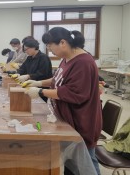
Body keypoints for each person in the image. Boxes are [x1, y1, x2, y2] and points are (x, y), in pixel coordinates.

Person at [18, 27, 102, 175]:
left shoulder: (83, 62)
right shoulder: (67, 58)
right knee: (72, 163)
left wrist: (40, 92)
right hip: (69, 119)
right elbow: (57, 79)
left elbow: (74, 93)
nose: (49, 50)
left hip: (82, 120)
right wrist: (38, 83)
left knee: (86, 164)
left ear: (62, 42)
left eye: (50, 46)